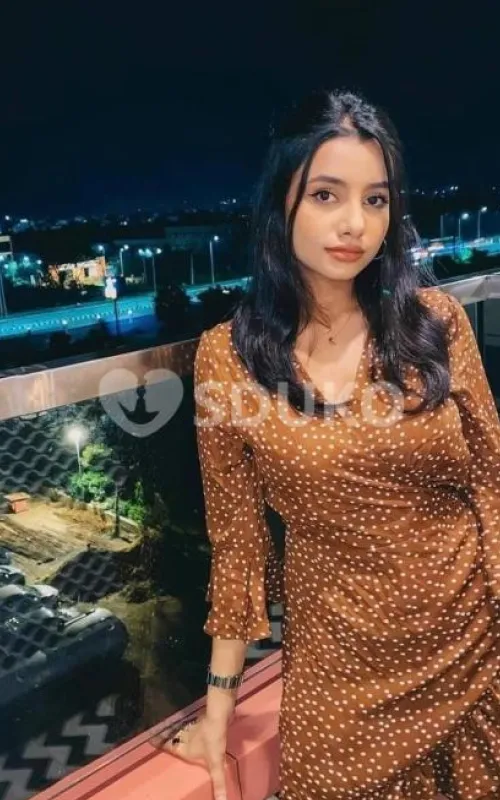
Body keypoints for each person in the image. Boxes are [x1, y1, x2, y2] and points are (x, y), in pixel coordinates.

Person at [162, 89, 500, 799]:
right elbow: (238, 541)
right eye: (326, 195)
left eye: (376, 200)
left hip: (476, 646)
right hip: (340, 674)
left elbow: (491, 481)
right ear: (279, 204)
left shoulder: (436, 324)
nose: (355, 224)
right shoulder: (229, 359)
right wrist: (219, 709)